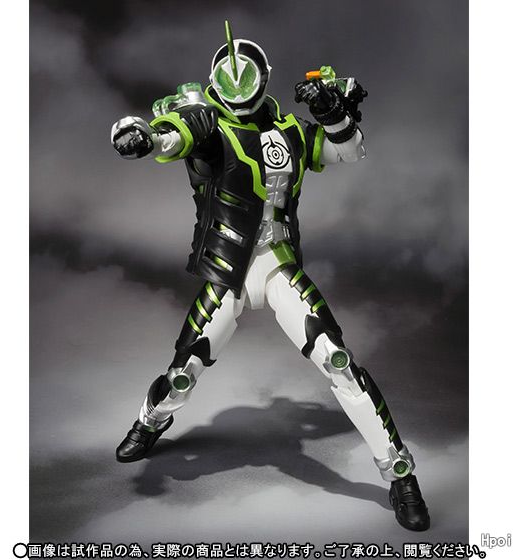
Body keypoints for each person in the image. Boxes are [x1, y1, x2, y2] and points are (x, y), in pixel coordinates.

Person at [110, 21, 430, 531]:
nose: (237, 92)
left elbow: (348, 149)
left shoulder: (291, 131)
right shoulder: (209, 124)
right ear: (215, 83)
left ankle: (399, 471)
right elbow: (174, 133)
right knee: (184, 370)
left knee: (339, 362)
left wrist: (334, 113)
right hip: (228, 272)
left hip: (280, 266)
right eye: (227, 83)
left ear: (264, 78)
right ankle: (151, 420)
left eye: (246, 80)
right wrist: (143, 136)